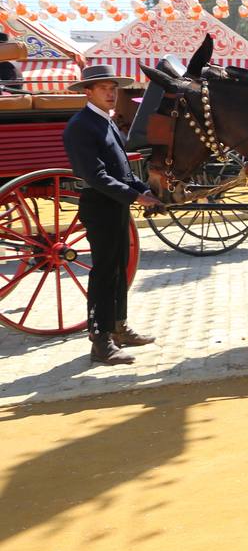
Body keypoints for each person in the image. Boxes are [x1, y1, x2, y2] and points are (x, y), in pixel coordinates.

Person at [61, 65, 161, 364]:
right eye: (104, 87)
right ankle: (100, 340)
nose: (111, 92)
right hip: (99, 206)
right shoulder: (80, 126)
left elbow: (124, 173)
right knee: (104, 272)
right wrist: (136, 196)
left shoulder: (108, 123)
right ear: (87, 92)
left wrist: (148, 192)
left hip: (116, 205)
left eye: (113, 88)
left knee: (120, 268)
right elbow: (96, 176)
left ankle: (119, 327)